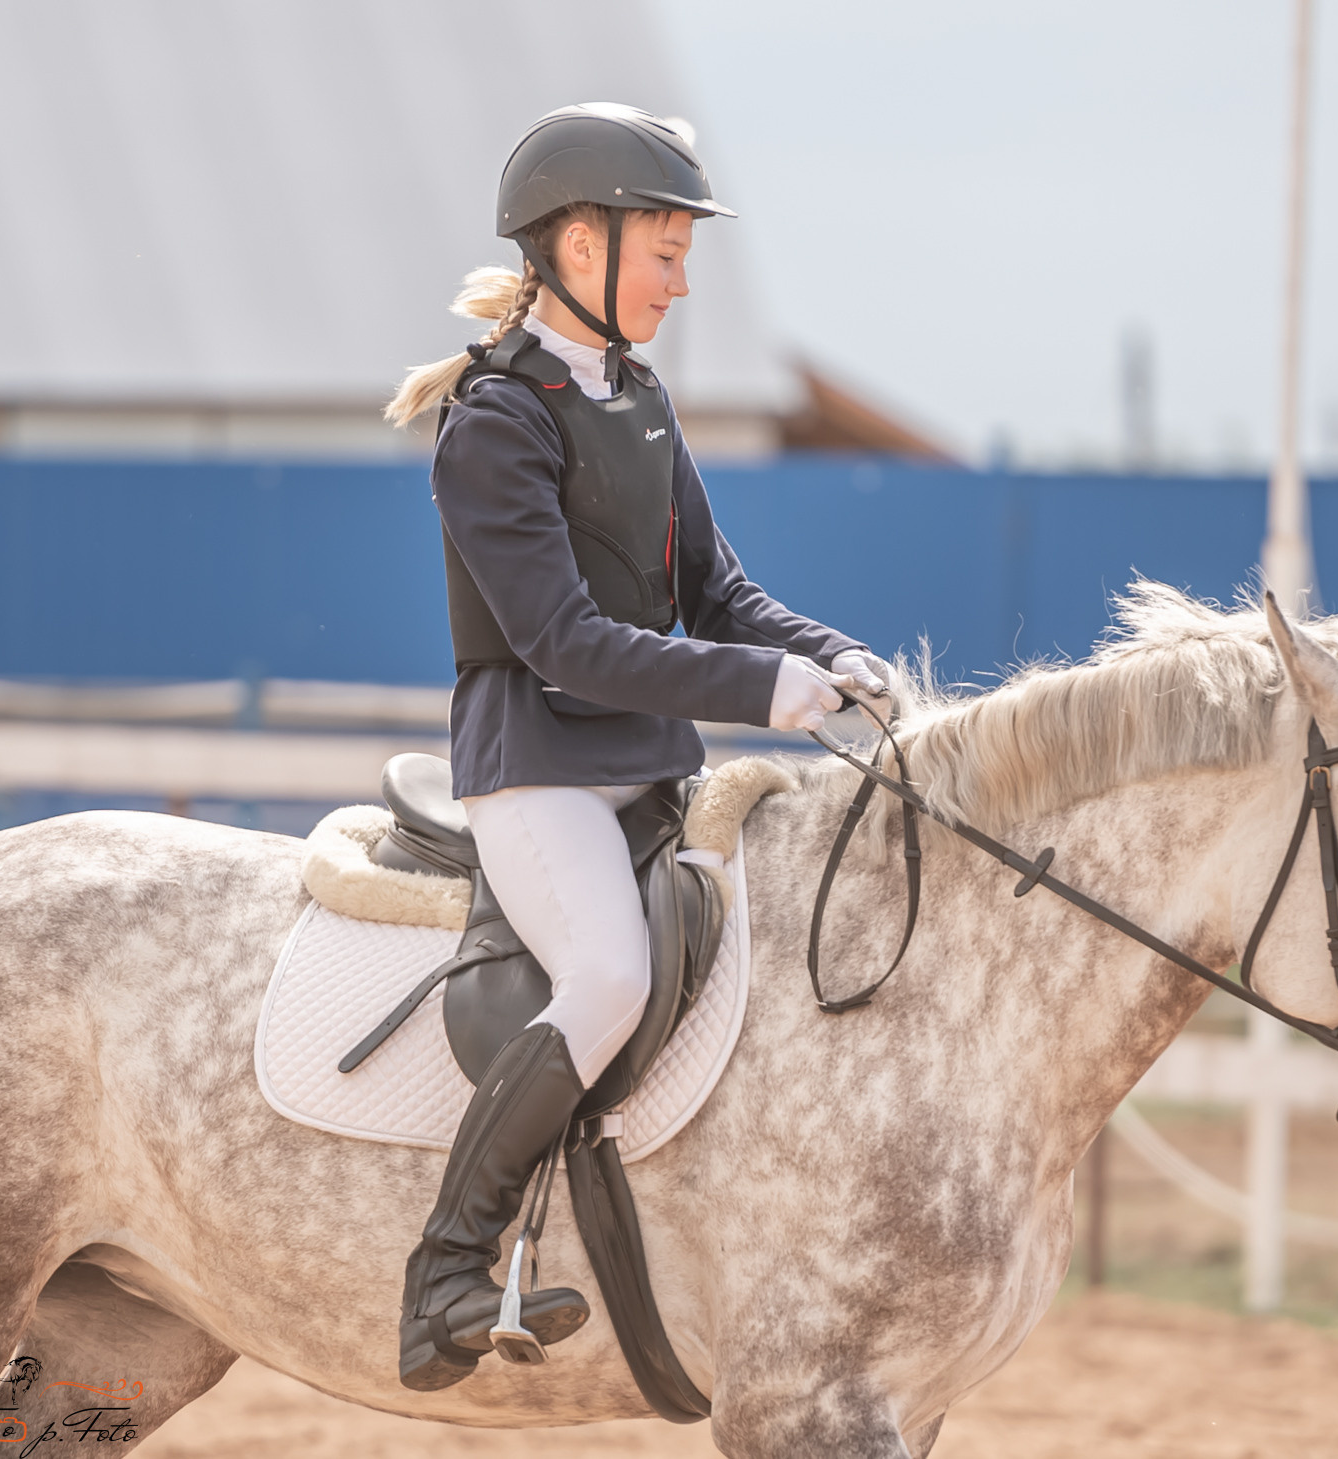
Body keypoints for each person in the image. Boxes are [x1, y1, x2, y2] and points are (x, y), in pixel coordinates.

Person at [382, 103, 888, 1393]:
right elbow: (560, 640)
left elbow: (717, 592)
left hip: (652, 774)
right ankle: (447, 1268)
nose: (678, 278)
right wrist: (757, 683)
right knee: (607, 976)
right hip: (538, 769)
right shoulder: (496, 423)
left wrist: (828, 652)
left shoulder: (641, 397)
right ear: (580, 246)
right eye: (662, 251)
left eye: (681, 254)